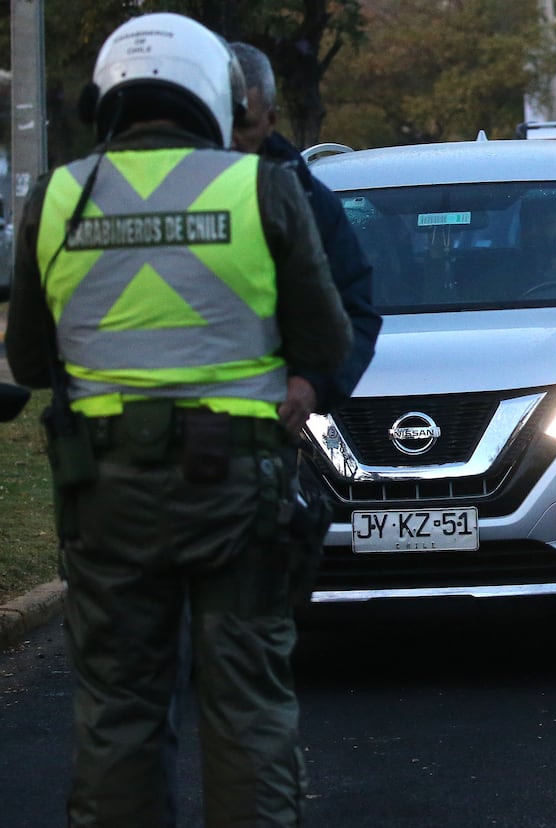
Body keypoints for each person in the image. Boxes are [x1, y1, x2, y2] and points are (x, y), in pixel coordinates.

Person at [3, 12, 352, 825]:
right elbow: (327, 339)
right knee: (247, 708)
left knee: (119, 710)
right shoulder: (259, 186)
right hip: (238, 488)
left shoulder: (57, 196)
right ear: (213, 94)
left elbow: (26, 363)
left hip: (105, 493)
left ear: (106, 99)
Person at [229, 42, 381, 426]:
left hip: (261, 428)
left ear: (271, 118)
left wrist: (313, 383)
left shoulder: (307, 199)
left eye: (243, 124)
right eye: (220, 123)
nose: (231, 141)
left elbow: (354, 306)